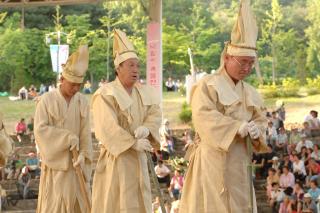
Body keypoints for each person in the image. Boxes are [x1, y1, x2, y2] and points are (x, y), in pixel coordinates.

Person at [179, 1, 268, 212]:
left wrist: (258, 131)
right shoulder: (208, 84)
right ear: (227, 57)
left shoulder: (250, 92)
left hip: (240, 163)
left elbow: (261, 120)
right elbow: (202, 117)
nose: (246, 68)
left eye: (250, 63)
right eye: (242, 62)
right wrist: (234, 127)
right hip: (213, 161)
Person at [91, 29, 162, 213]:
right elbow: (106, 128)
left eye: (138, 66)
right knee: (116, 202)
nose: (136, 70)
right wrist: (132, 143)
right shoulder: (105, 94)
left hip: (139, 159)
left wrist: (147, 129)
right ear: (118, 68)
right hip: (117, 159)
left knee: (140, 202)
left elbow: (155, 113)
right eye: (131, 65)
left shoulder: (144, 92)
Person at [34, 45, 93, 213]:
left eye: (79, 85)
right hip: (56, 170)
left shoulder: (82, 101)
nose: (75, 89)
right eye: (72, 84)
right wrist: (66, 137)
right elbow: (40, 130)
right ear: (62, 79)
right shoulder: (46, 100)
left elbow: (85, 133)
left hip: (76, 169)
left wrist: (84, 155)